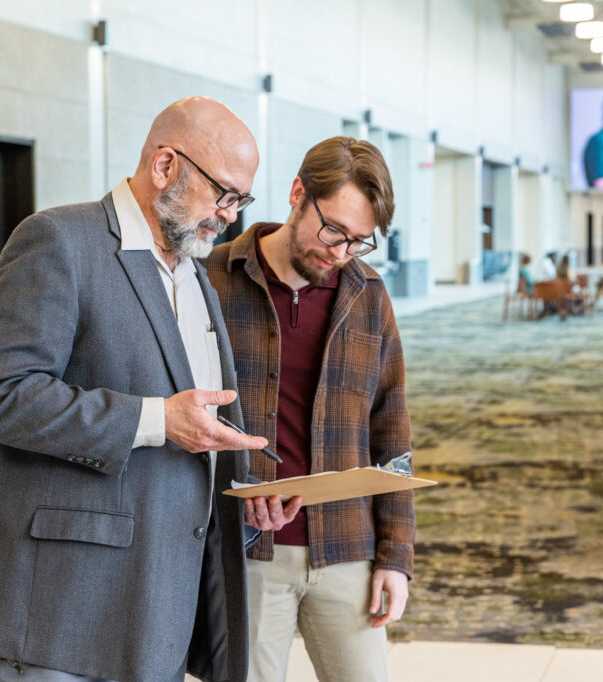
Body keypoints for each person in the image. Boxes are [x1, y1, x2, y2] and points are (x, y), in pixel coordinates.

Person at [0, 97, 302, 682]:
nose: (229, 216)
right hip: (60, 605)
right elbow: (0, 395)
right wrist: (158, 420)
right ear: (165, 166)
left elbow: (191, 430)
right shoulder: (58, 241)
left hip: (155, 607)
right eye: (223, 194)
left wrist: (242, 508)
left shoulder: (193, 274)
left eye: (241, 201)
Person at [204, 137, 414, 682]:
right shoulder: (212, 279)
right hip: (250, 551)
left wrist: (396, 556)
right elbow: (186, 415)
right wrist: (233, 492)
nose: (341, 253)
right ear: (298, 193)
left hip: (348, 547)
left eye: (359, 242)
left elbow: (392, 429)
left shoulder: (368, 294)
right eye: (333, 231)